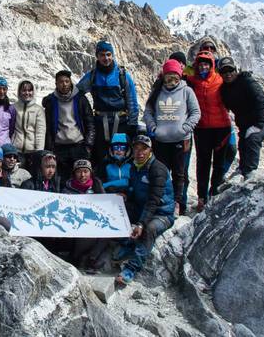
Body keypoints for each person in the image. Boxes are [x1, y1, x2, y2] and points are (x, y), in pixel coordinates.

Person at [115, 135, 175, 284]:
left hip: (162, 213)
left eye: (144, 149)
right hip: (142, 208)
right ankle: (128, 243)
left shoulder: (158, 169)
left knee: (149, 229)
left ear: (150, 150)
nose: (140, 153)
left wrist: (141, 223)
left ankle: (131, 268)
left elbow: (154, 200)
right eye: (136, 149)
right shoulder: (135, 166)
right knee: (117, 211)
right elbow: (133, 188)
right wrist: (126, 194)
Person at [144, 58, 200, 215]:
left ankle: (176, 202)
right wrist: (153, 127)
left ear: (180, 76)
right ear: (164, 76)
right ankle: (162, 200)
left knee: (179, 173)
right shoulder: (157, 91)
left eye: (175, 76)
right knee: (161, 172)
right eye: (168, 76)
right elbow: (148, 112)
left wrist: (186, 128)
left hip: (180, 140)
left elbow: (196, 112)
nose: (171, 80)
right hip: (160, 140)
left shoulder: (187, 91)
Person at [77, 40, 140, 168]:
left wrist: (133, 124)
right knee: (100, 158)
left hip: (121, 123)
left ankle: (120, 185)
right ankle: (102, 185)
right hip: (99, 124)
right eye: (102, 55)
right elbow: (77, 93)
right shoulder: (92, 76)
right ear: (97, 56)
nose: (106, 58)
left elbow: (132, 101)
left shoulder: (122, 76)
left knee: (121, 156)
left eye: (108, 54)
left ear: (112, 55)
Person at [186, 50, 233, 212]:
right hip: (202, 129)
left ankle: (214, 194)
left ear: (212, 65)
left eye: (206, 64)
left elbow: (234, 82)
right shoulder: (193, 80)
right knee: (203, 164)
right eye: (200, 64)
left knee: (219, 164)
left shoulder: (220, 79)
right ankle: (202, 197)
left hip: (222, 128)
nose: (203, 67)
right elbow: (178, 73)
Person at [218, 57, 264, 179]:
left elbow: (261, 103)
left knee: (253, 139)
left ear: (236, 70)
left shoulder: (247, 82)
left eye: (231, 70)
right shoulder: (224, 90)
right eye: (224, 72)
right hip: (246, 125)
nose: (228, 74)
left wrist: (258, 125)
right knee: (243, 143)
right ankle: (243, 170)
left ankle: (250, 173)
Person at [43, 70, 95, 180]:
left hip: (79, 146)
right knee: (61, 180)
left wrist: (88, 145)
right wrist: (49, 148)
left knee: (81, 179)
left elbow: (90, 122)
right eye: (61, 82)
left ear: (71, 82)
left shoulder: (80, 99)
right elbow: (47, 127)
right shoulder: (51, 101)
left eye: (67, 81)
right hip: (59, 148)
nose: (64, 84)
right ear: (56, 84)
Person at [62, 159, 107, 269]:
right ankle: (76, 259)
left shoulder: (97, 186)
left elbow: (105, 206)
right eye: (79, 172)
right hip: (74, 226)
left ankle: (91, 258)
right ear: (74, 173)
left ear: (90, 173)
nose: (83, 175)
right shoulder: (67, 189)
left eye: (86, 172)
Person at [12, 80, 46, 153]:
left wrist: (39, 151)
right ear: (19, 92)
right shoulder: (13, 108)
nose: (27, 93)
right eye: (24, 90)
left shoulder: (38, 110)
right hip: (15, 150)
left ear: (33, 92)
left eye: (29, 90)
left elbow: (40, 132)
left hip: (32, 151)